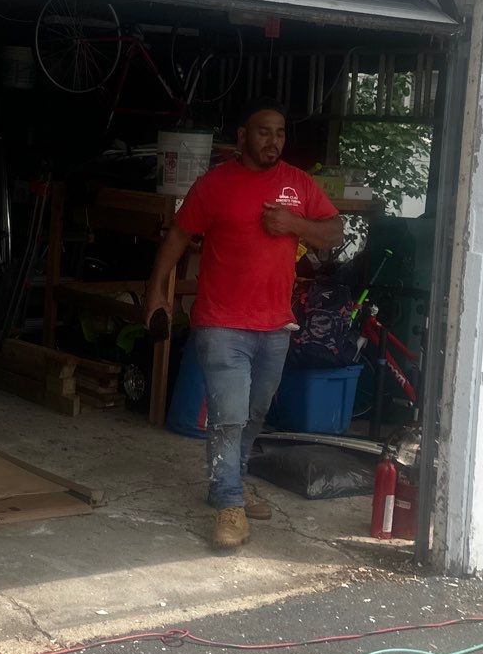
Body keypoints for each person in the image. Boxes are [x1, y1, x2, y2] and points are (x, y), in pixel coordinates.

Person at [143, 102, 342, 549]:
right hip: (220, 322)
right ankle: (229, 503)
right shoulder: (213, 186)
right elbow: (177, 235)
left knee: (255, 412)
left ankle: (232, 481)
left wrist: (294, 222)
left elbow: (335, 231)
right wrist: (157, 290)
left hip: (274, 324)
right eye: (263, 132)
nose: (273, 141)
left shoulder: (298, 183)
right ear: (242, 136)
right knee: (229, 415)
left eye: (280, 133)